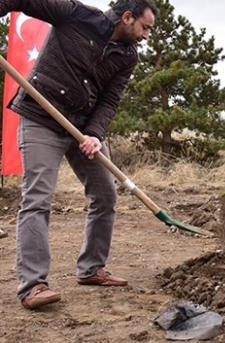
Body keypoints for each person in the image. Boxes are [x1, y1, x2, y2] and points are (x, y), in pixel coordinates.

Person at [1, 0, 159, 309]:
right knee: (38, 198)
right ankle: (33, 285)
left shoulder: (127, 57)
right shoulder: (75, 14)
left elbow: (109, 100)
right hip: (40, 119)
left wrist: (95, 135)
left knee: (106, 195)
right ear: (127, 17)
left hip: (82, 129)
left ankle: (91, 268)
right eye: (145, 27)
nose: (146, 35)